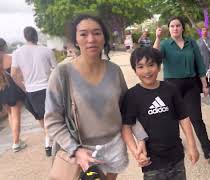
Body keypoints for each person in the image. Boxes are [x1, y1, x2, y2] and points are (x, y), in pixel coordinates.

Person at [44, 14, 148, 180]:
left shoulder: (114, 71)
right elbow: (52, 120)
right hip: (83, 151)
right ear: (75, 39)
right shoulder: (61, 74)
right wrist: (75, 150)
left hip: (115, 147)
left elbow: (127, 110)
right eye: (83, 34)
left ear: (104, 38)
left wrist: (140, 138)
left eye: (97, 33)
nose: (91, 39)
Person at [121, 47, 199, 180]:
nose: (146, 71)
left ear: (159, 66)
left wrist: (192, 145)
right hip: (152, 162)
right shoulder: (132, 95)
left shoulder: (171, 89)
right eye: (140, 67)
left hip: (176, 157)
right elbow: (126, 127)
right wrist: (136, 152)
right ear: (135, 70)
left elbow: (184, 118)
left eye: (151, 65)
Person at [153, 16, 210, 163]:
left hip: (191, 85)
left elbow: (200, 64)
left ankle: (207, 151)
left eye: (178, 26)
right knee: (172, 119)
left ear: (182, 28)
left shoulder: (191, 43)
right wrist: (157, 38)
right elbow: (153, 57)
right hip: (171, 86)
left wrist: (204, 84)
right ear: (169, 29)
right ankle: (173, 148)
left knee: (196, 119)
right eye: (172, 26)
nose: (175, 28)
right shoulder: (165, 44)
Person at [11, 26, 57, 156]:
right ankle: (48, 143)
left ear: (25, 37)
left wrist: (23, 87)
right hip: (47, 88)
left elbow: (14, 74)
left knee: (41, 117)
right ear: (36, 36)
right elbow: (56, 69)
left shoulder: (17, 53)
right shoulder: (46, 50)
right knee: (49, 116)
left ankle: (49, 141)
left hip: (31, 91)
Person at [0, 38, 26, 152]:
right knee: (16, 115)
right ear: (4, 46)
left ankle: (16, 139)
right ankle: (16, 143)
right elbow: (18, 73)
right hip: (12, 89)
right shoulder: (10, 58)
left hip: (1, 90)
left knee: (10, 114)